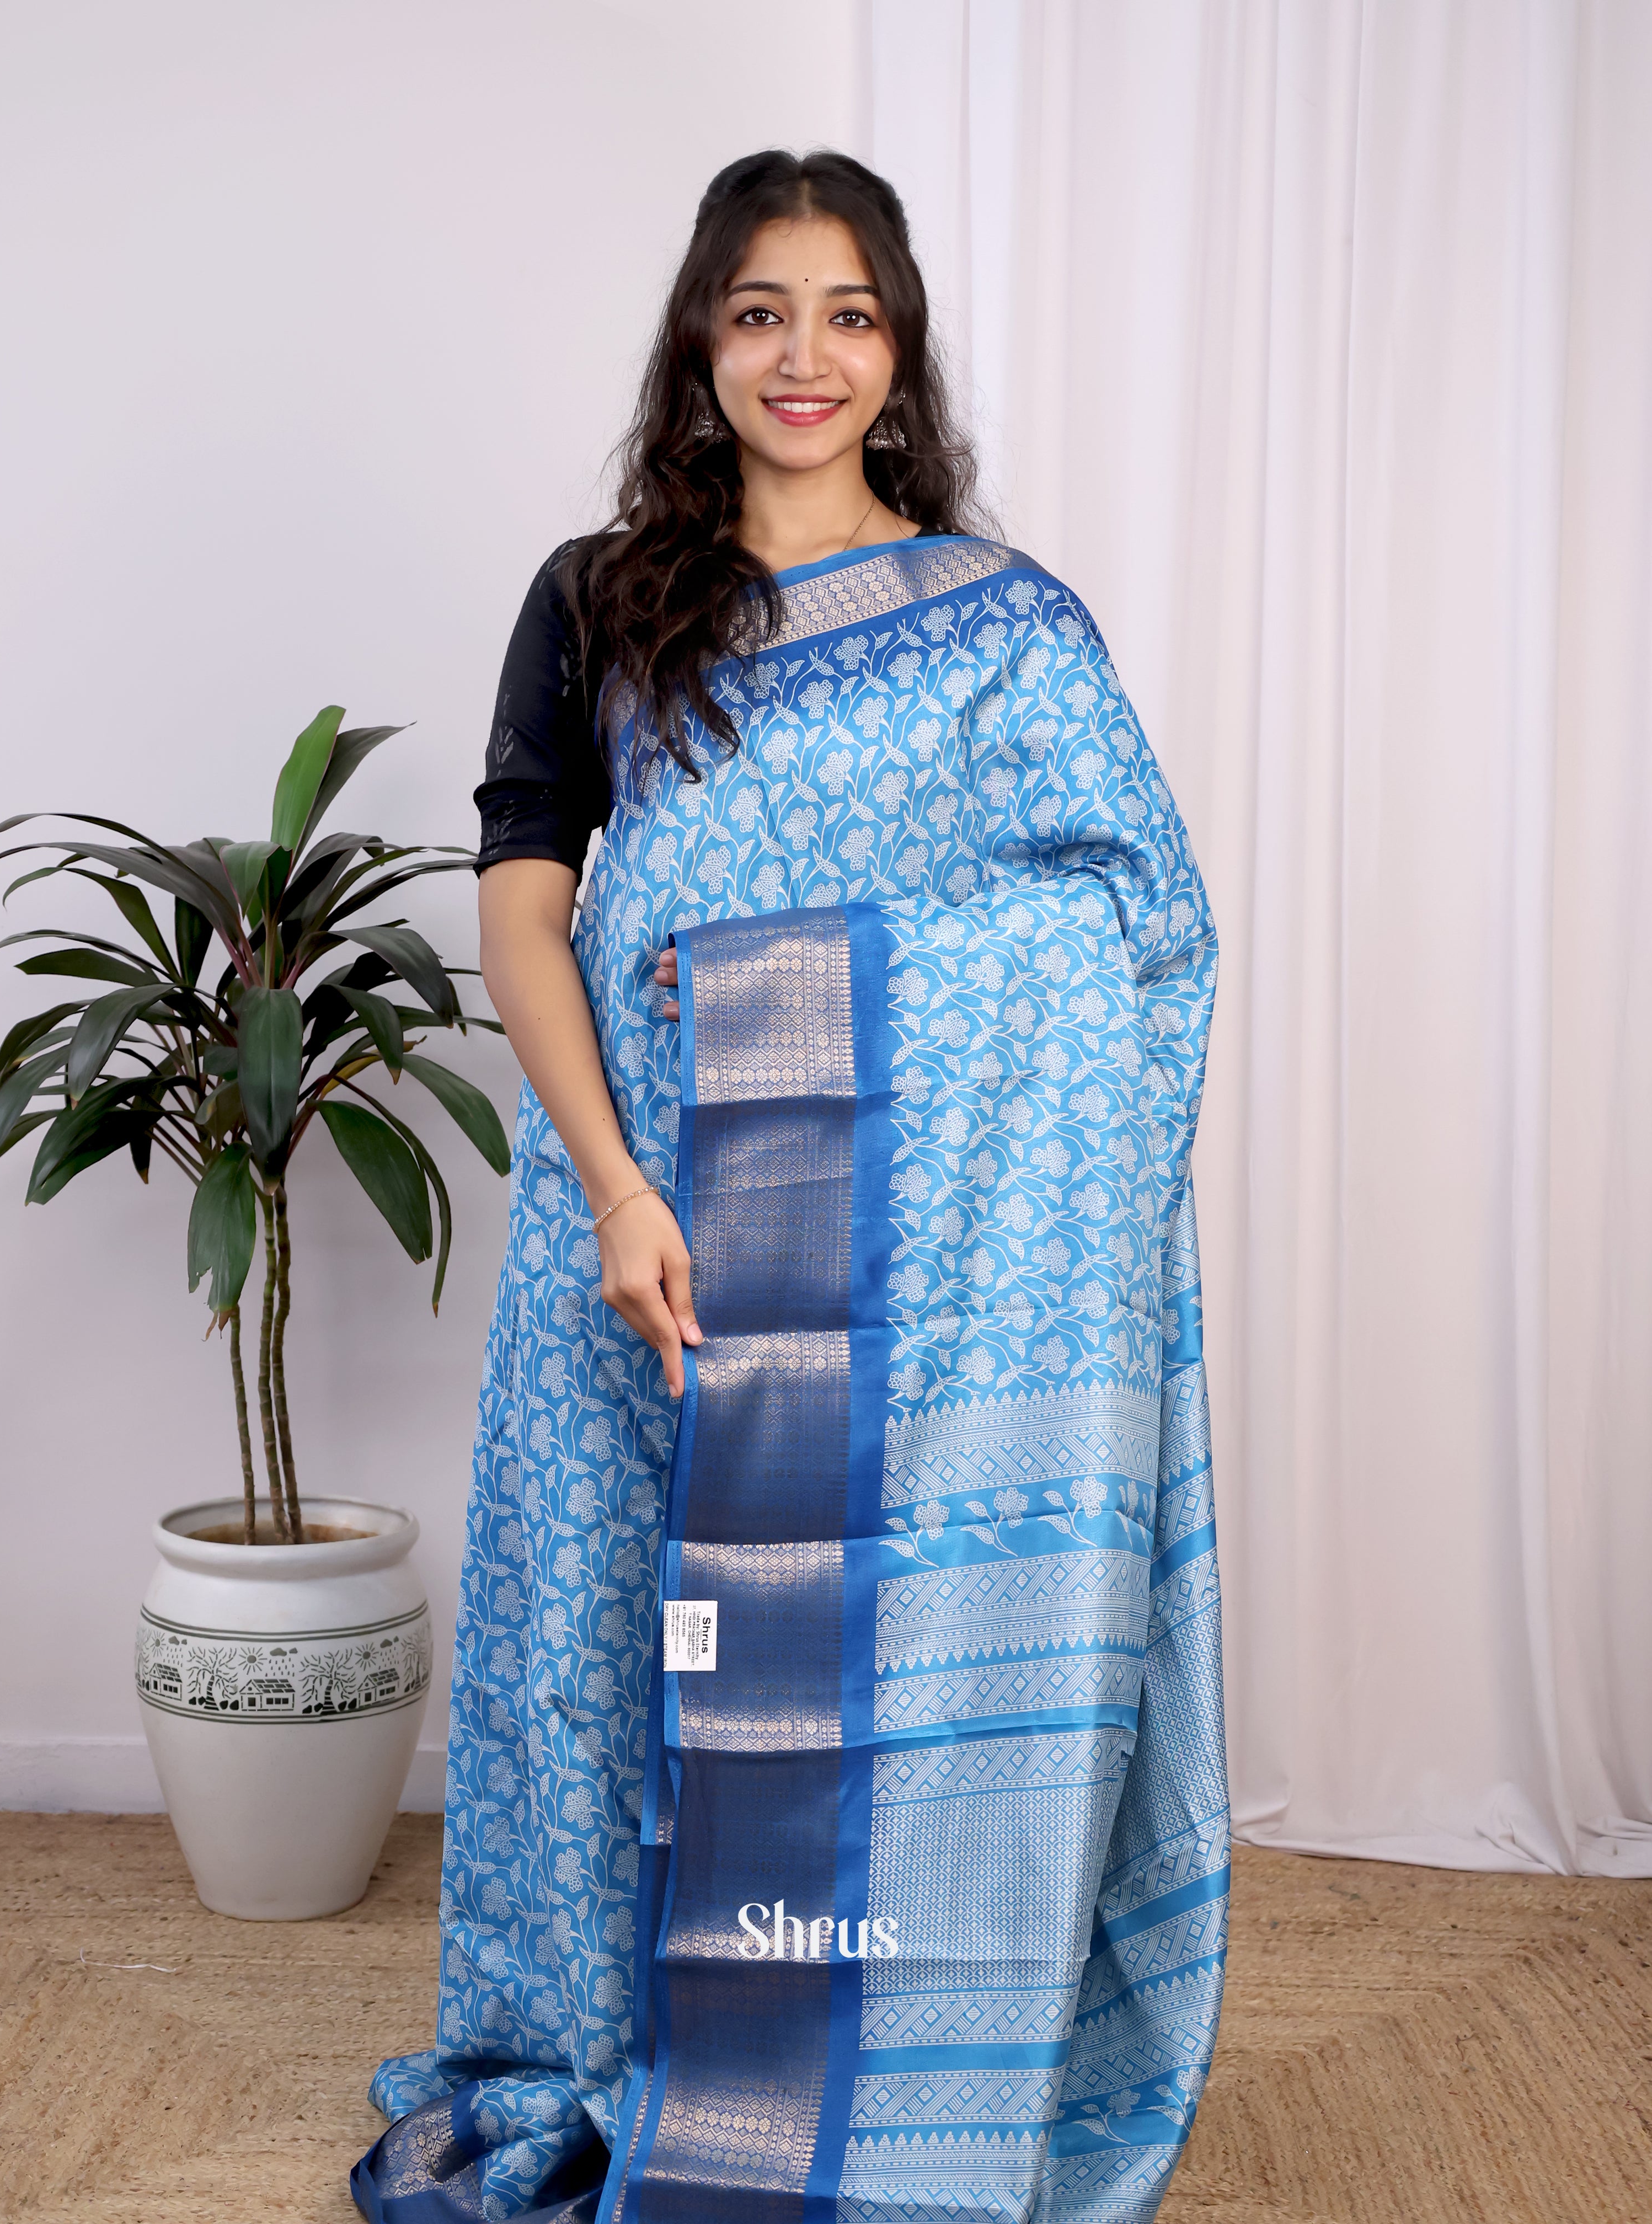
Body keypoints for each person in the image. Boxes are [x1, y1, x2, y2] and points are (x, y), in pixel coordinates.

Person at [355, 147, 1228, 2224]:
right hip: (643, 1227)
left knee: (866, 1675)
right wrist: (615, 1185)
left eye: (849, 314)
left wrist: (814, 986)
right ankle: (617, 2044)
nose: (804, 356)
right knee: (614, 1654)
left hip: (916, 1282)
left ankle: (885, 2076)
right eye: (761, 312)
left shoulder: (1002, 626)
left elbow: (1139, 930)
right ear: (703, 342)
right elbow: (527, 906)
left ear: (899, 350)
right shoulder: (600, 597)